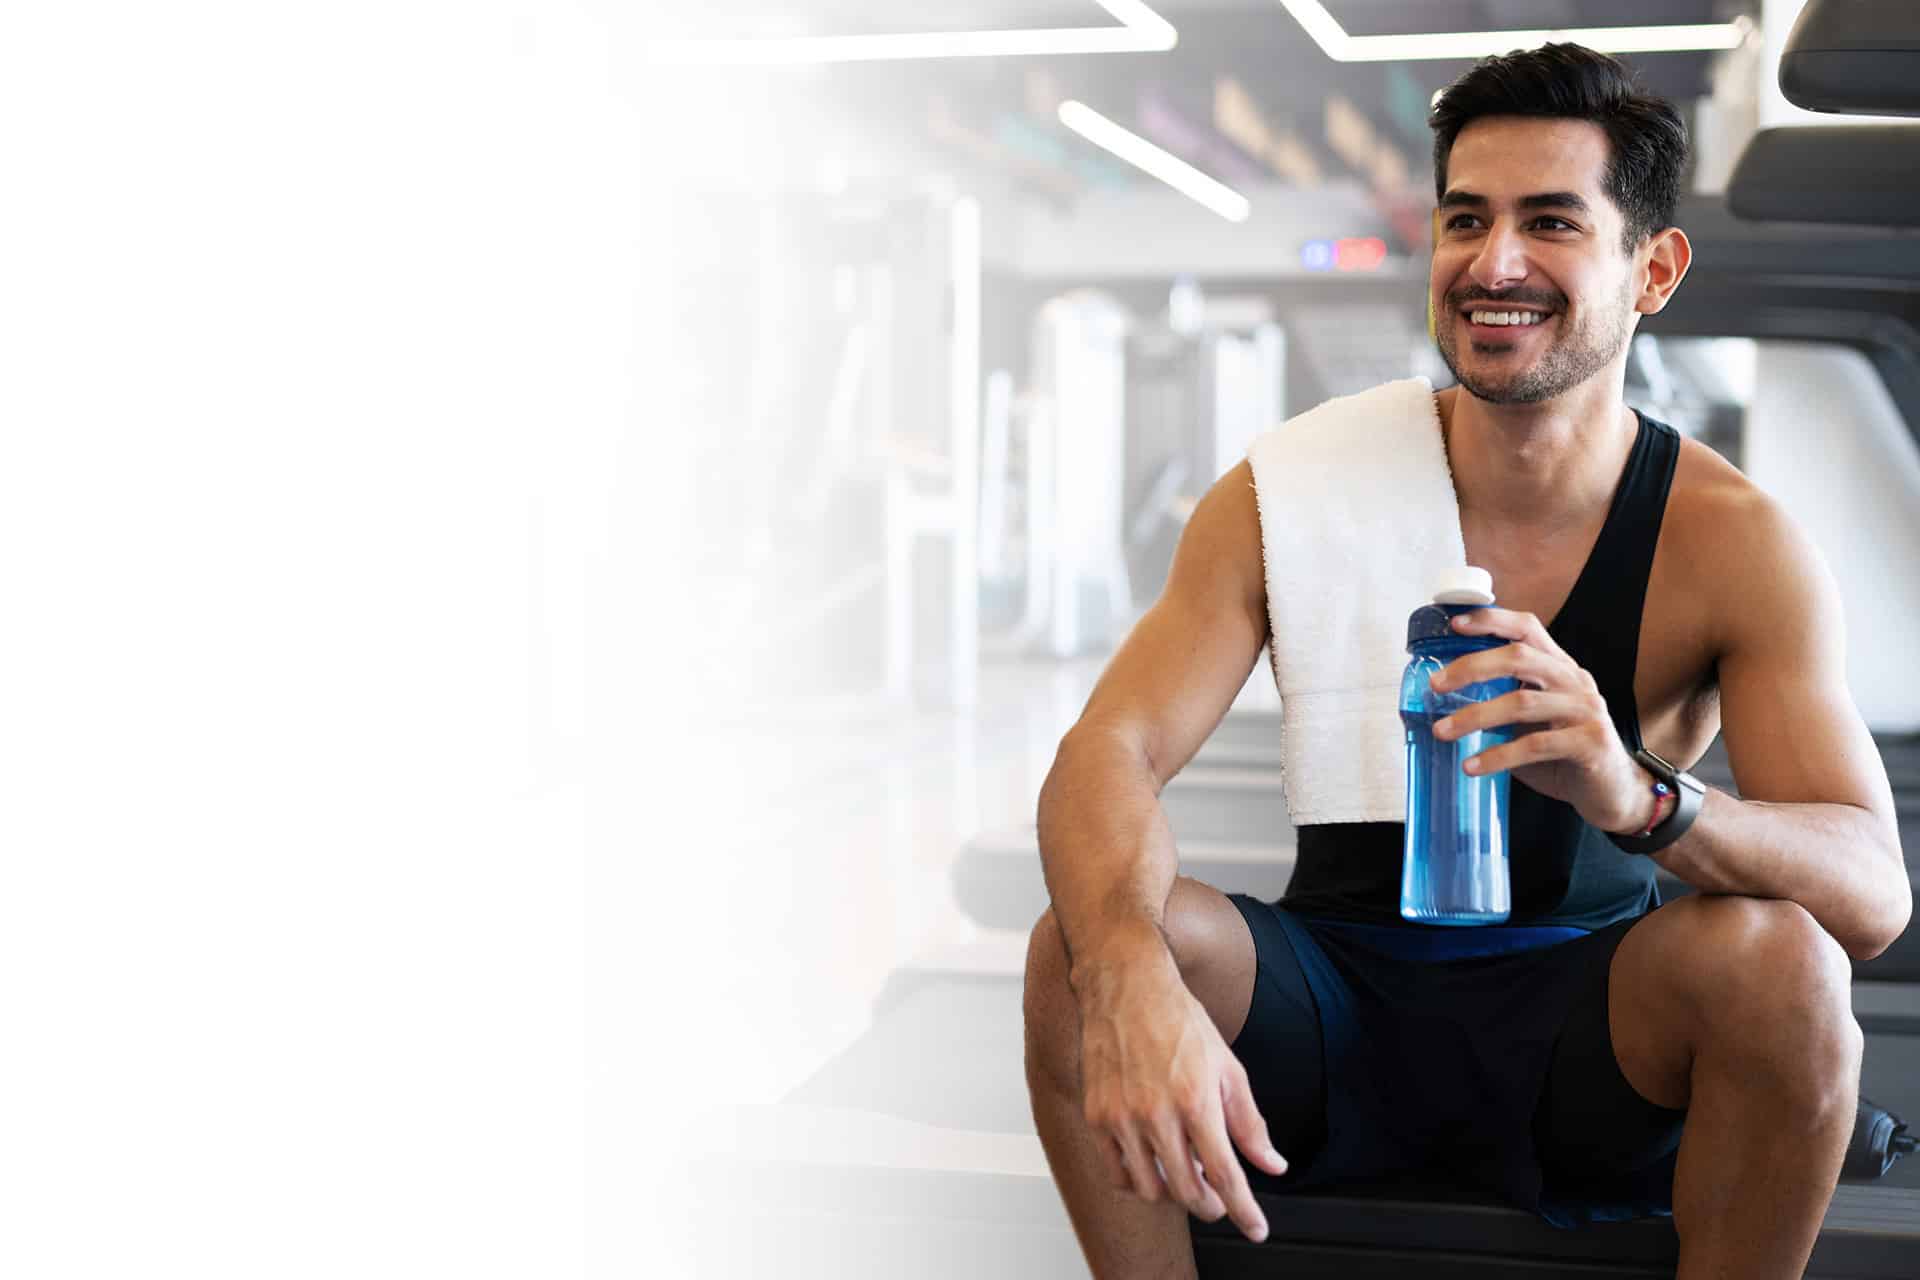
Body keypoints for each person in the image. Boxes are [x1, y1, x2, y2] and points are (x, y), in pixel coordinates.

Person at [1023, 42, 1911, 1280]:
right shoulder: (1289, 490)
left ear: (1653, 268)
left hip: (1590, 1030)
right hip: (1331, 1001)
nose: (1494, 264)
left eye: (1550, 221)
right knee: (1086, 940)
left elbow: (1872, 894)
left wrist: (1635, 789)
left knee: (1791, 968)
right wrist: (1126, 976)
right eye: (1465, 219)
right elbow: (1106, 751)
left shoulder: (1736, 544)